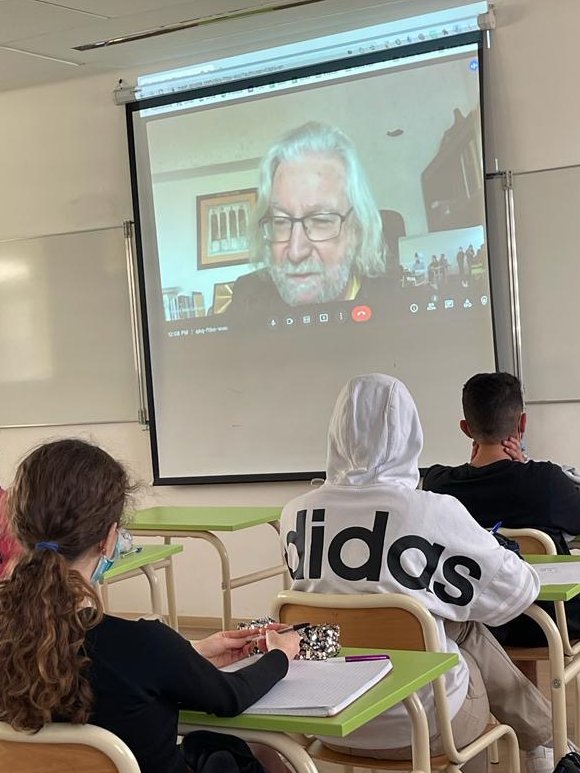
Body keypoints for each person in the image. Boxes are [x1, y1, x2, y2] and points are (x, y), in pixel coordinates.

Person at [279, 373, 556, 773]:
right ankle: (545, 744)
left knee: (431, 624)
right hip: (427, 726)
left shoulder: (295, 513)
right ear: (410, 431)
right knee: (459, 628)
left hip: (327, 720)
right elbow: (517, 594)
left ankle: (546, 741)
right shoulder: (429, 510)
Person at [0, 439, 300, 773]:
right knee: (252, 752)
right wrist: (280, 655)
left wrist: (190, 652)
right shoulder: (144, 645)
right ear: (109, 538)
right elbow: (231, 697)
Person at [422, 371, 580, 645]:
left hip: (478, 624)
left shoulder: (437, 486)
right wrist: (527, 465)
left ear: (466, 428)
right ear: (522, 423)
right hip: (552, 623)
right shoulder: (546, 482)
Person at [225, 122, 391, 318]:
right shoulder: (247, 300)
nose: (296, 252)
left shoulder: (395, 304)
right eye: (281, 222)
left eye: (320, 221)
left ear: (357, 229)